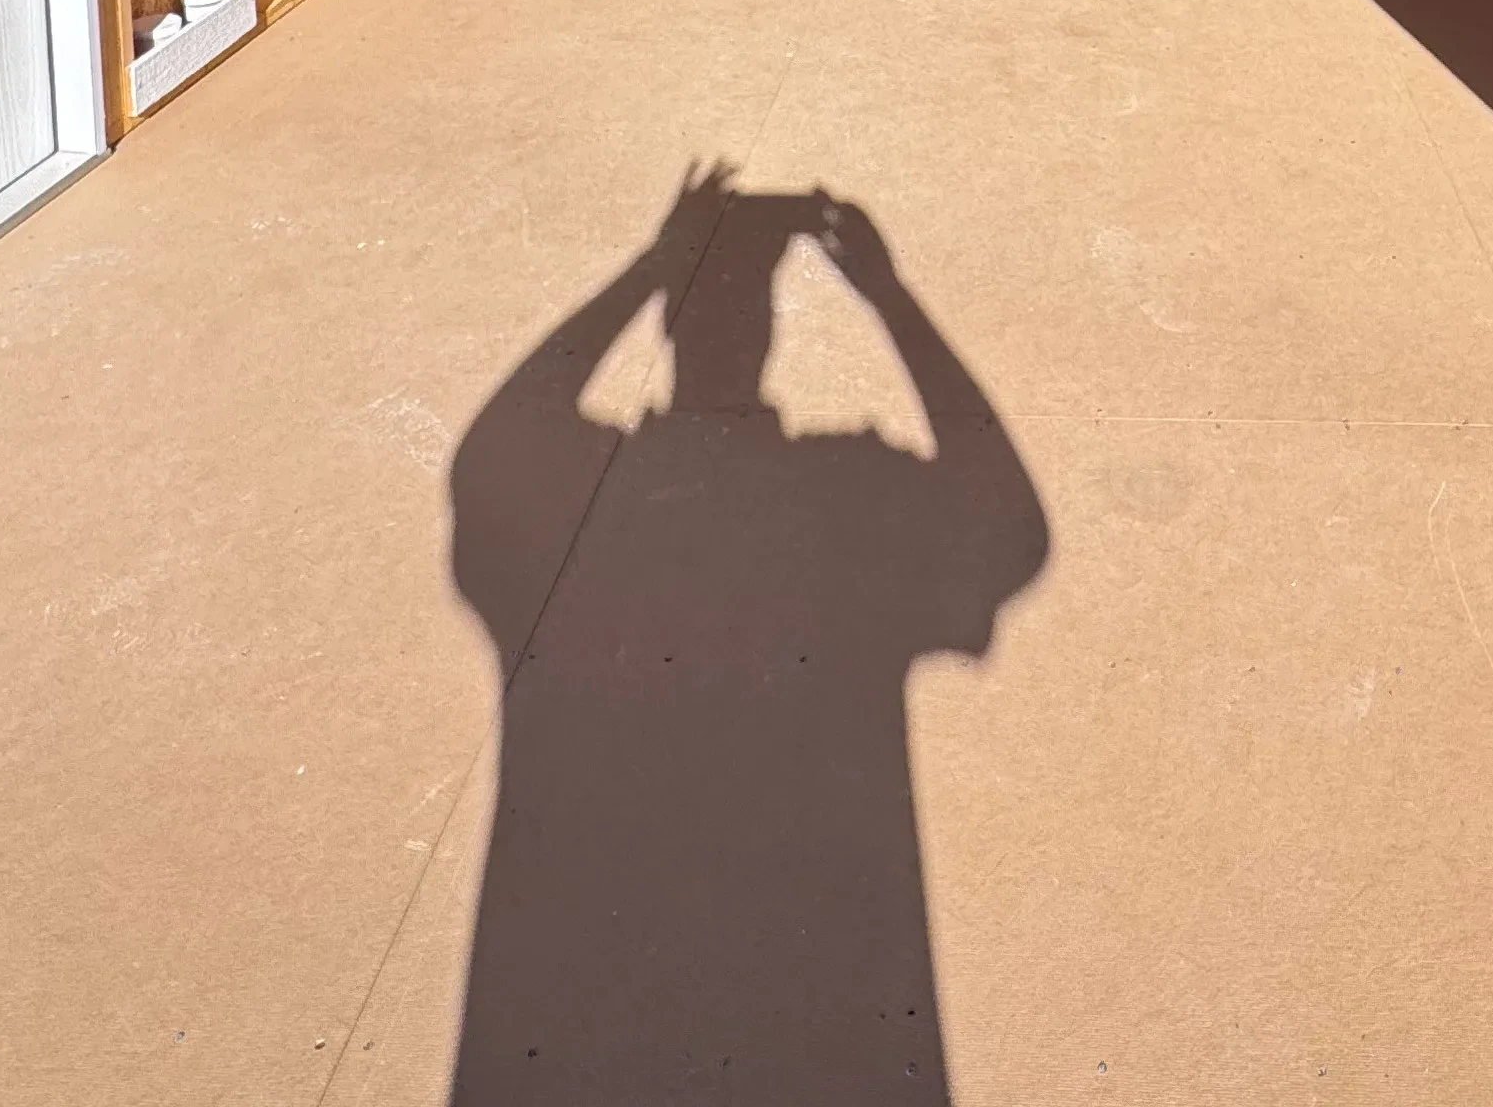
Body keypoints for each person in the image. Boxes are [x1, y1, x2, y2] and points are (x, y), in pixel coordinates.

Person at [445, 166, 1048, 1099]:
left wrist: (653, 267)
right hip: (835, 992)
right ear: (773, 338)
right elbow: (1012, 527)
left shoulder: (593, 504)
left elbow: (490, 450)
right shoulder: (844, 501)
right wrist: (890, 299)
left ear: (671, 329)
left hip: (569, 1001)